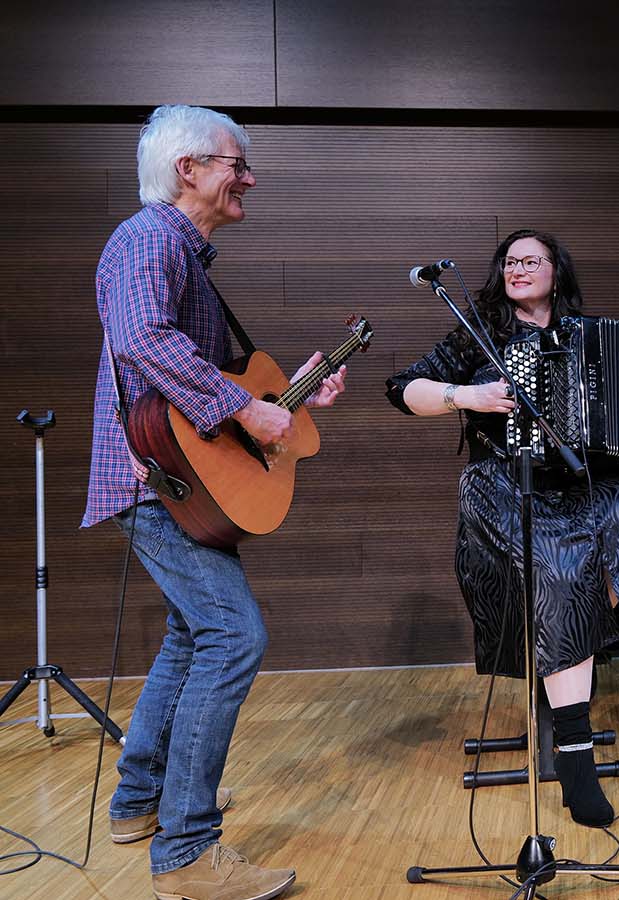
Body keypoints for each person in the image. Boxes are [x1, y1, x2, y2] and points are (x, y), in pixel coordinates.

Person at [82, 105, 346, 900]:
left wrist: (288, 398)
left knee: (192, 634)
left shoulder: (179, 253)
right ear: (188, 168)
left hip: (178, 482)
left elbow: (210, 382)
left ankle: (140, 801)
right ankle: (187, 854)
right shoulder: (150, 238)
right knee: (233, 636)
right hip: (157, 483)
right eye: (238, 164)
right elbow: (144, 341)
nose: (249, 179)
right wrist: (246, 411)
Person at [385, 228, 619, 827]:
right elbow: (404, 389)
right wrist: (467, 395)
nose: (517, 269)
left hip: (578, 486)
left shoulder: (589, 335)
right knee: (560, 567)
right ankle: (575, 754)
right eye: (509, 261)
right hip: (503, 483)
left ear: (556, 271)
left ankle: (577, 689)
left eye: (531, 260)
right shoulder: (483, 333)